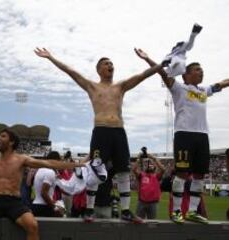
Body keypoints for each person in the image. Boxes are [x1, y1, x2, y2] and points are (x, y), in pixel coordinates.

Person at [35, 47, 165, 223]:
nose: (110, 65)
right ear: (99, 70)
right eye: (106, 63)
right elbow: (71, 72)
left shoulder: (121, 86)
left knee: (124, 172)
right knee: (95, 170)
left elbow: (144, 75)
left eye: (111, 63)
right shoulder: (92, 86)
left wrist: (152, 60)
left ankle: (126, 211)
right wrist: (51, 57)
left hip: (119, 131)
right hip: (101, 130)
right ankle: (89, 209)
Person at [135, 47, 229, 224]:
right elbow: (162, 73)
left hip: (202, 136)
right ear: (186, 75)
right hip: (184, 135)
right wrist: (148, 59)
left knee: (199, 175)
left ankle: (192, 211)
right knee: (182, 174)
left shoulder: (204, 91)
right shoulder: (178, 87)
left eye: (202, 69)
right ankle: (177, 211)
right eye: (197, 69)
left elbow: (224, 82)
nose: (201, 72)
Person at [132, 149, 165, 219]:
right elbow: (134, 169)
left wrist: (153, 158)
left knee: (152, 223)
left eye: (152, 165)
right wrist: (139, 159)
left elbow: (163, 169)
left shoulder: (157, 176)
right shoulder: (142, 175)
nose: (150, 165)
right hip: (141, 202)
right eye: (148, 165)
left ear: (154, 168)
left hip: (153, 203)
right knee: (138, 222)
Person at [32, 151, 66, 217]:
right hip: (44, 207)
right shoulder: (50, 172)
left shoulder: (40, 169)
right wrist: (55, 207)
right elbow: (43, 193)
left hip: (36, 205)